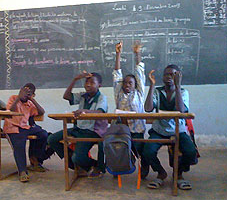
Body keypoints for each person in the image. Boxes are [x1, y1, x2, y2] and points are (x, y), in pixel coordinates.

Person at [143, 65, 197, 190]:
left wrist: (177, 86)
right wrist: (151, 85)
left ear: (178, 76)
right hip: (159, 130)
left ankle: (178, 173)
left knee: (190, 152)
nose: (168, 77)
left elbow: (181, 110)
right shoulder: (158, 91)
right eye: (166, 74)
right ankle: (161, 172)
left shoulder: (183, 92)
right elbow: (148, 108)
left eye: (172, 74)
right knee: (148, 151)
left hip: (178, 131)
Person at [48, 72, 108, 178]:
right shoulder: (82, 96)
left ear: (99, 85)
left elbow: (100, 112)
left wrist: (84, 111)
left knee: (77, 157)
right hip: (78, 129)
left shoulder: (101, 98)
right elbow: (66, 96)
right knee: (52, 139)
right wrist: (75, 79)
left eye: (92, 82)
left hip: (92, 131)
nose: (88, 85)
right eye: (86, 82)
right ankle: (76, 162)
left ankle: (95, 165)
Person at [113, 41, 149, 177]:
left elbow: (139, 72)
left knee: (139, 150)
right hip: (121, 130)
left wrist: (137, 53)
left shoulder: (139, 93)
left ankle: (144, 169)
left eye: (130, 83)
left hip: (136, 130)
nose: (127, 85)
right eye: (125, 82)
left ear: (135, 85)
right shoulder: (119, 93)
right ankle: (117, 169)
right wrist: (118, 54)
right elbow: (117, 74)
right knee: (119, 149)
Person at [3, 83, 48, 182]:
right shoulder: (13, 98)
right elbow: (10, 111)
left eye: (29, 93)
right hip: (12, 127)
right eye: (25, 92)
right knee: (19, 144)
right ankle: (22, 171)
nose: (26, 95)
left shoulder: (29, 103)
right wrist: (18, 97)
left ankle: (35, 161)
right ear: (20, 90)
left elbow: (41, 112)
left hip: (24, 127)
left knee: (43, 134)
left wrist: (32, 99)